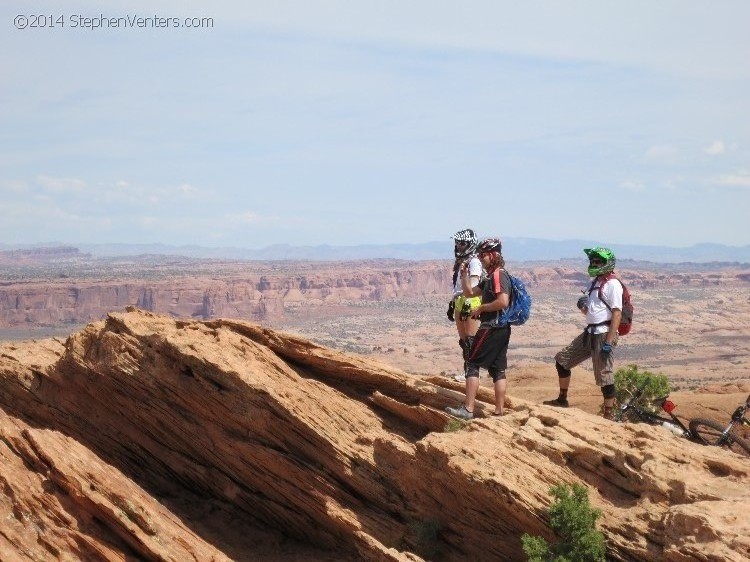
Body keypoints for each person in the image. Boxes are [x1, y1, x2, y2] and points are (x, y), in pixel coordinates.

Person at [544, 247, 623, 420]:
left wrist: (609, 342)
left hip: (603, 334)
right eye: (592, 261)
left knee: (605, 374)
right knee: (562, 360)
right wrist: (583, 307)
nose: (593, 264)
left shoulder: (613, 284)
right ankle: (562, 399)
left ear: (606, 263)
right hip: (590, 332)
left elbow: (617, 313)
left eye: (597, 261)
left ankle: (609, 415)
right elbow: (592, 313)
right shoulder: (595, 283)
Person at [446, 238, 512, 419]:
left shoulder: (498, 275)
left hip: (492, 327)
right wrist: (464, 275)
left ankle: (468, 410)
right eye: (480, 254)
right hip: (501, 328)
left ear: (493, 255)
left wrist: (482, 308)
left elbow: (503, 301)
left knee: (473, 362)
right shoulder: (490, 276)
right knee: (498, 370)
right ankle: (499, 412)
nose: (481, 258)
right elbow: (469, 292)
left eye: (484, 255)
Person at [447, 229, 483, 383]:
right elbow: (458, 286)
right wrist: (453, 301)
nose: (458, 246)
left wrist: (466, 300)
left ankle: (473, 374)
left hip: (470, 301)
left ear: (470, 244)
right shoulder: (463, 261)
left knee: (470, 340)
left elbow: (474, 284)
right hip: (460, 301)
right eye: (456, 243)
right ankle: (467, 372)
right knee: (464, 341)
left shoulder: (474, 261)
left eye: (461, 243)